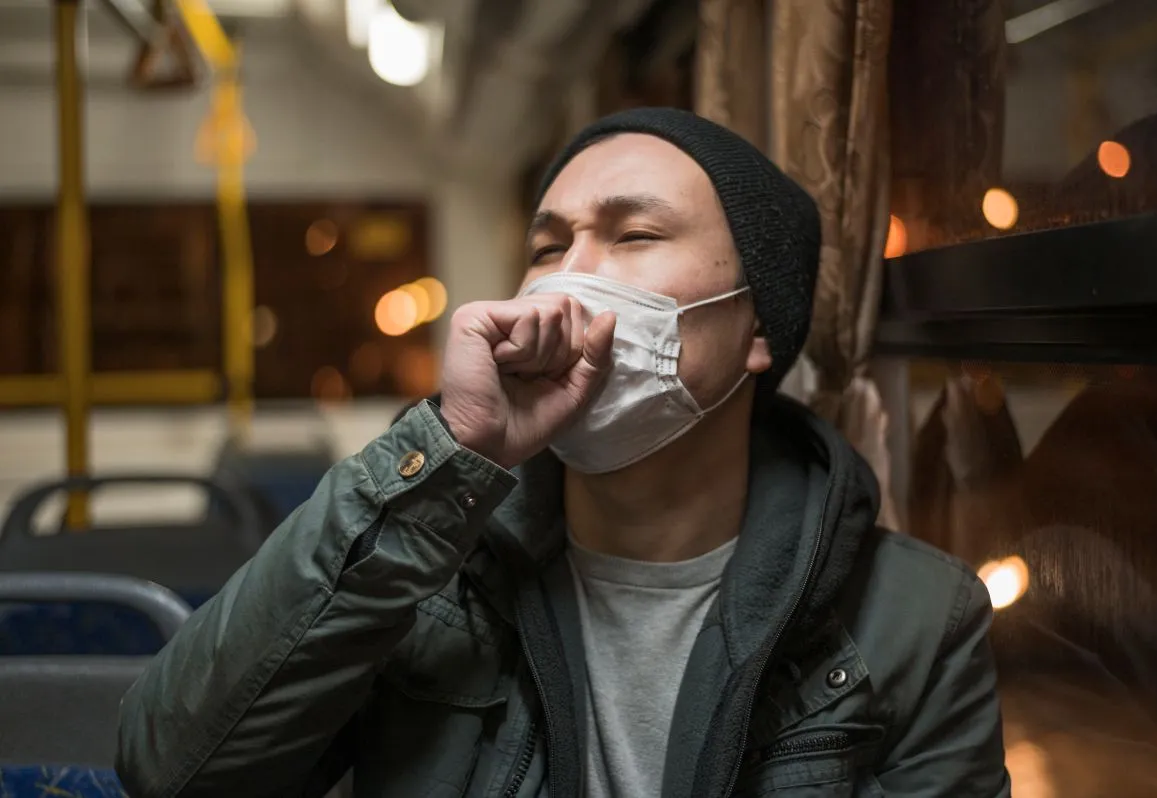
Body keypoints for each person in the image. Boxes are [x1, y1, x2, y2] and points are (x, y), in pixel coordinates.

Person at [116, 108, 1010, 797]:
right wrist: (449, 453)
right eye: (548, 247)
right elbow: (174, 771)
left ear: (755, 328)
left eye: (633, 236)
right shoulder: (423, 576)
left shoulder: (916, 620)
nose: (569, 279)